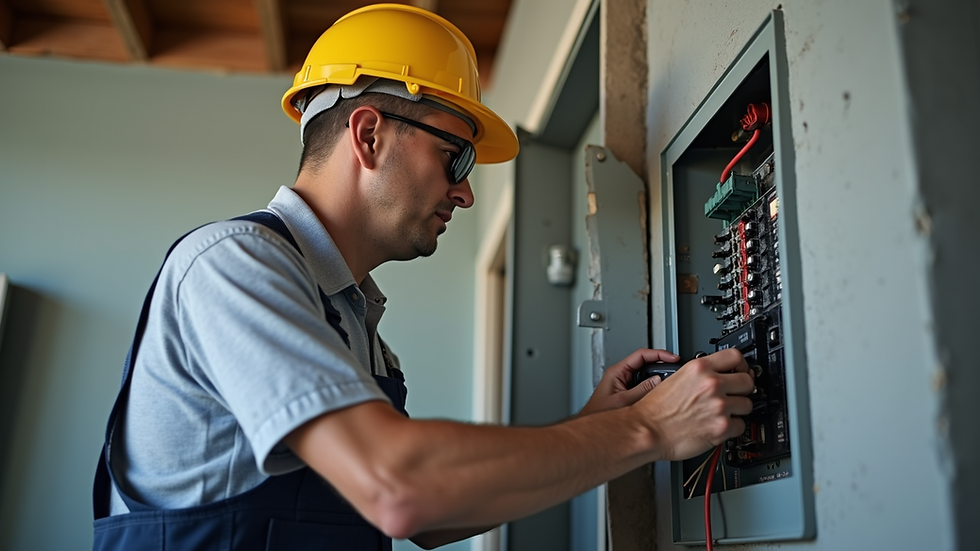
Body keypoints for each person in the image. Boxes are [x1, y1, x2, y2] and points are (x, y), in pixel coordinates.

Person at [92, 4, 754, 550]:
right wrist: (647, 431)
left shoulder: (355, 324)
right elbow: (399, 489)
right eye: (454, 156)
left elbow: (430, 519)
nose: (464, 194)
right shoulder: (233, 265)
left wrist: (591, 423)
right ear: (369, 135)